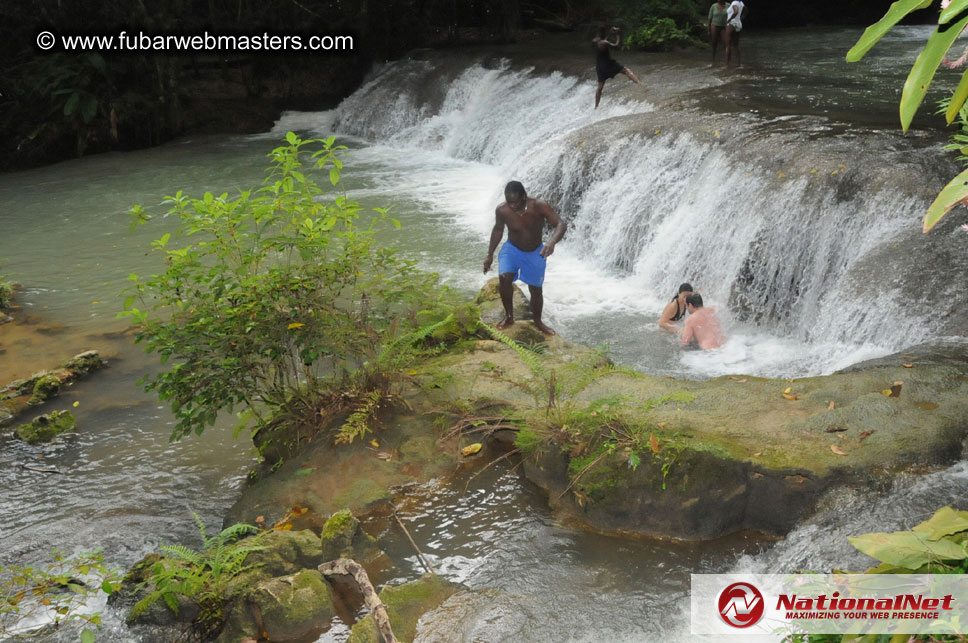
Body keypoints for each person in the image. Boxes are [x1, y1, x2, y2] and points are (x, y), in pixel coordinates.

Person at [483, 181, 568, 335]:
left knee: (536, 289)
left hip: (536, 251)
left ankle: (538, 321)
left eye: (515, 202)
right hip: (512, 249)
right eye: (509, 202)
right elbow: (498, 230)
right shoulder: (502, 210)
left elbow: (560, 224)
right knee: (504, 278)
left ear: (523, 196)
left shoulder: (539, 206)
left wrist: (551, 242)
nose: (512, 206)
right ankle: (509, 317)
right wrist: (489, 255)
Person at [593, 26, 643, 109]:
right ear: (602, 33)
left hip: (599, 67)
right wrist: (617, 35)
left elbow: (605, 39)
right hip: (608, 64)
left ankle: (596, 106)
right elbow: (616, 45)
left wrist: (610, 33)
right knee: (626, 70)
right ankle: (639, 83)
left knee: (600, 87)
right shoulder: (604, 43)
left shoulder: (596, 41)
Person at [724, 0, 746, 68]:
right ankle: (739, 64)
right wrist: (740, 19)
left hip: (731, 24)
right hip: (738, 24)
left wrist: (729, 19)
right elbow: (746, 11)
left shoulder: (734, 3)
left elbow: (736, 11)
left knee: (728, 45)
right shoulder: (741, 3)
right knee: (736, 45)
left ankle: (727, 65)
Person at [708, 1, 729, 65]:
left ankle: (727, 62)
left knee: (726, 44)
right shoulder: (713, 6)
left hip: (724, 27)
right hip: (714, 26)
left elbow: (733, 14)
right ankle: (713, 61)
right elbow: (709, 18)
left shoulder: (729, 5)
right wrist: (708, 30)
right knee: (714, 44)